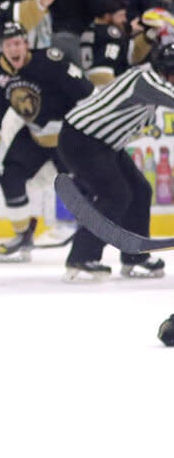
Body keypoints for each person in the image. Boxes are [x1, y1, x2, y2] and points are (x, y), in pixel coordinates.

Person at [0, 23, 93, 263]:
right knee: (11, 177)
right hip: (35, 135)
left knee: (82, 188)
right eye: (8, 45)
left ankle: (90, 241)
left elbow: (88, 94)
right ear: (1, 49)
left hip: (69, 137)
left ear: (26, 44)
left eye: (18, 43)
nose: (14, 49)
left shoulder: (50, 62)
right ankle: (22, 235)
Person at [60, 43, 174, 282]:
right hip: (82, 139)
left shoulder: (149, 78)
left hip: (103, 143)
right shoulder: (147, 81)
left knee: (140, 190)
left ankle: (135, 256)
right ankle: (82, 256)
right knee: (116, 195)